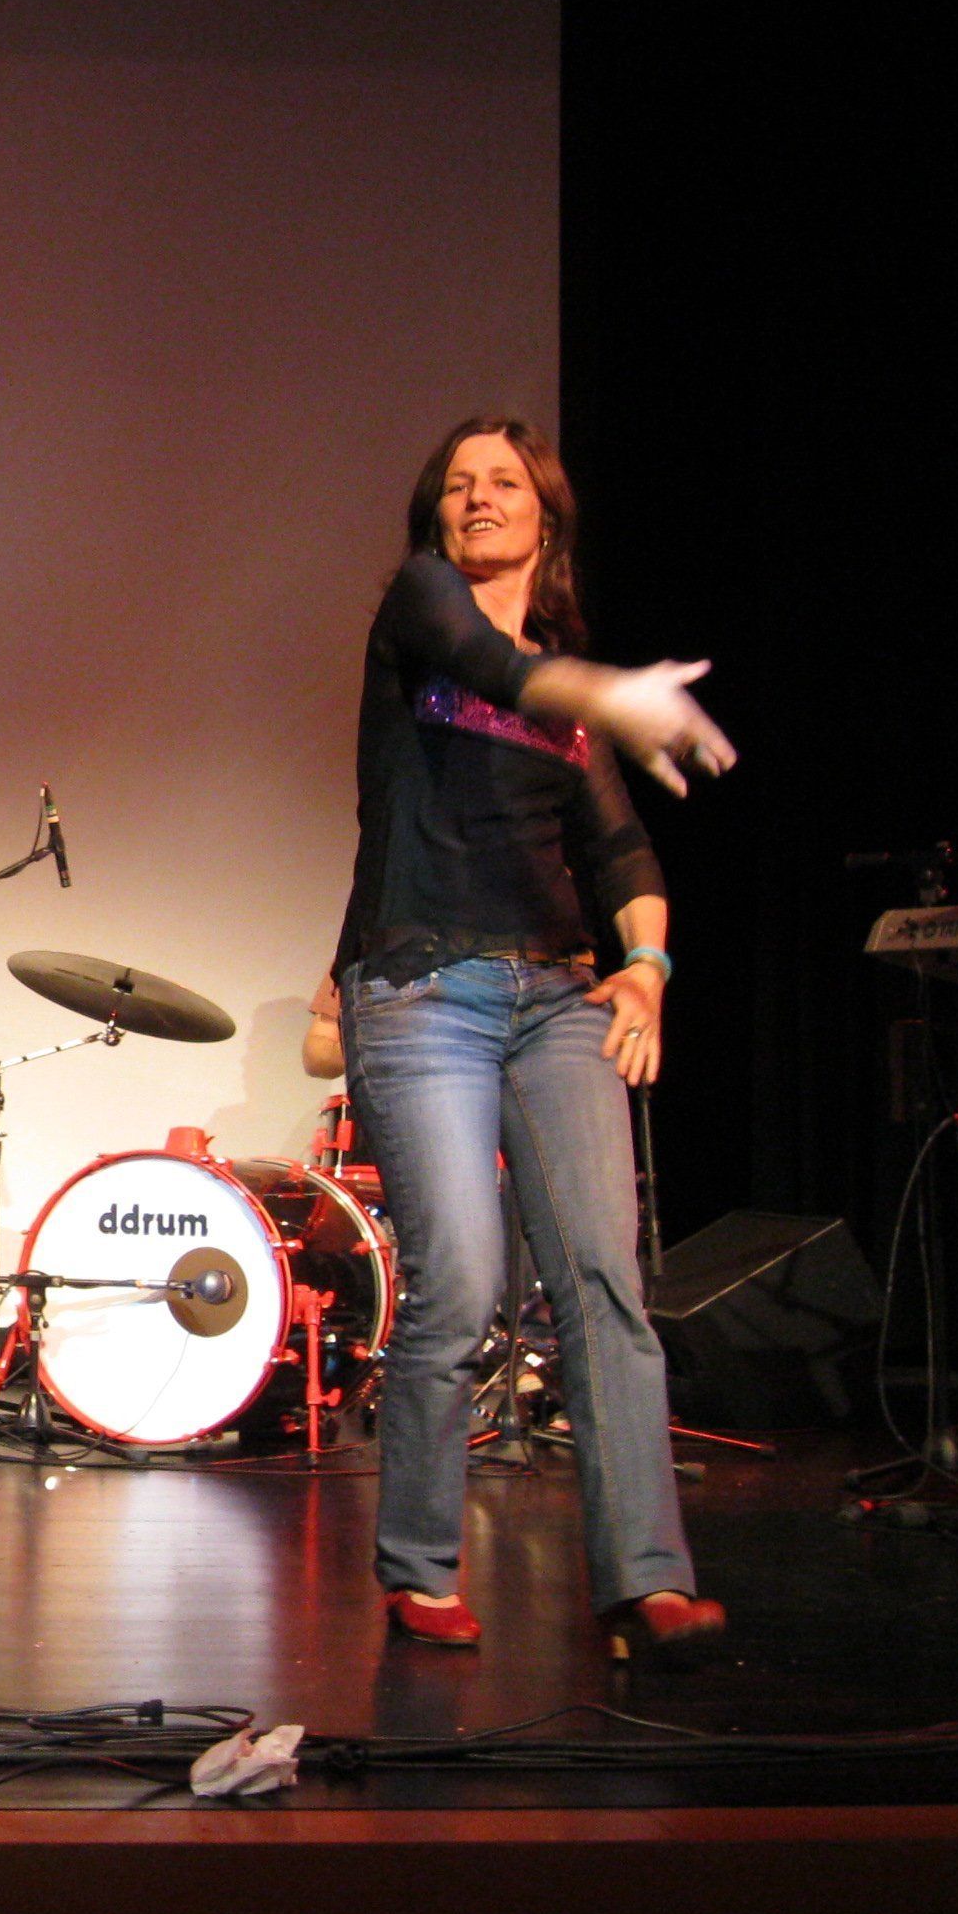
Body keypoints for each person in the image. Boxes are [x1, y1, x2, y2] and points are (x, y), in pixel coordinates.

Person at [335, 415, 734, 1663]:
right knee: (458, 1283)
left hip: (558, 1000)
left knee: (605, 1285)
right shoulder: (425, 607)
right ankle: (418, 1569)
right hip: (423, 991)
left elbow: (621, 851)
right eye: (459, 484)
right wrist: (612, 692)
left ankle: (645, 1584)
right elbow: (488, 663)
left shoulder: (566, 694)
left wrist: (648, 969)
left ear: (545, 517)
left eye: (504, 482)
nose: (479, 498)